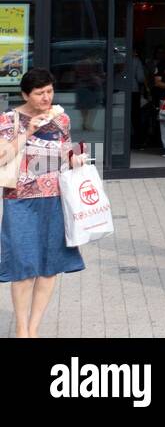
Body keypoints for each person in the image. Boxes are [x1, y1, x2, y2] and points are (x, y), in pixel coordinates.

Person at [0, 68, 86, 337]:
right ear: (26, 94)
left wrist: (76, 159)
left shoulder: (61, 118)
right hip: (20, 201)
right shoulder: (9, 119)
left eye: (49, 91)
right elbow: (2, 158)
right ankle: (21, 330)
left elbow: (67, 150)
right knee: (23, 267)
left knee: (50, 267)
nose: (46, 97)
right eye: (40, 93)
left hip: (54, 198)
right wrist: (28, 132)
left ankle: (34, 328)